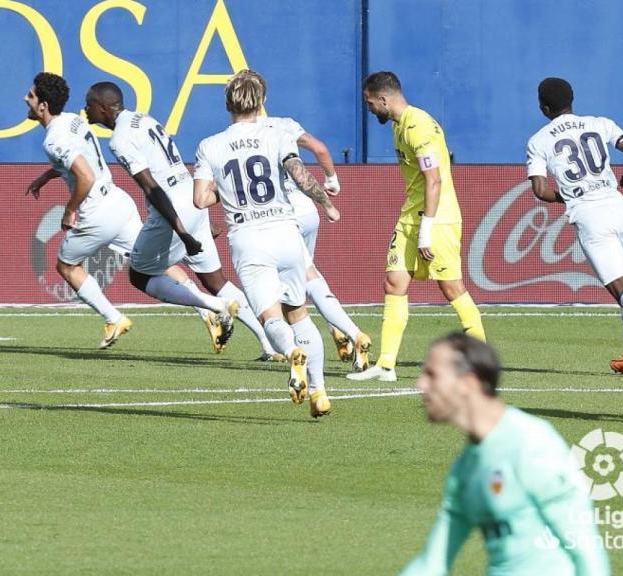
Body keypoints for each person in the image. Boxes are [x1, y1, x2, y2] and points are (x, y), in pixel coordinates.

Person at [83, 81, 283, 360]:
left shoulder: (119, 139)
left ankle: (215, 306)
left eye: (89, 104)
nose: (85, 110)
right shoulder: (144, 119)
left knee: (139, 276)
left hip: (172, 211)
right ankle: (270, 344)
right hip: (190, 198)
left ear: (103, 107)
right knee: (216, 280)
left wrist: (182, 231)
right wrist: (197, 222)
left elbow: (152, 187)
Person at [192, 69, 340, 418]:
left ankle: (291, 354)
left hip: (248, 239)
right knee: (299, 314)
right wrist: (327, 203)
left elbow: (200, 199)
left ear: (227, 104)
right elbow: (297, 174)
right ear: (261, 102)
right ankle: (320, 392)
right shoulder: (276, 135)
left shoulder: (210, 145)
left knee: (271, 317)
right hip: (285, 233)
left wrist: (224, 192)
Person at [401, 333, 609, 575]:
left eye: (432, 375)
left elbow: (586, 551)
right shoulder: (465, 469)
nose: (421, 385)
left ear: (468, 384)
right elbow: (432, 563)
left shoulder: (532, 444)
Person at [527, 77, 623, 377]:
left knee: (622, 292)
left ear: (543, 107)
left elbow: (540, 190)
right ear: (573, 99)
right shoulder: (600, 123)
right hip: (619, 209)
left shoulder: (539, 140)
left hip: (590, 216)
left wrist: (564, 197)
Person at [353, 71, 486, 383]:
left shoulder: (419, 126)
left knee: (451, 287)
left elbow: (434, 179)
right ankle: (386, 366)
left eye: (371, 103)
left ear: (384, 99)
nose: (370, 109)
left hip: (436, 219)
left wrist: (427, 230)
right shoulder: (400, 126)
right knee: (394, 282)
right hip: (412, 215)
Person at [25, 72, 148, 349]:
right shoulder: (73, 120)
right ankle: (211, 306)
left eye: (31, 96)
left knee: (66, 265)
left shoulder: (53, 138)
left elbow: (85, 176)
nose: (26, 98)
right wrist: (48, 176)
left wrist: (69, 211)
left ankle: (113, 317)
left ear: (43, 106)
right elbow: (80, 158)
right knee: (152, 260)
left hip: (96, 210)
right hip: (118, 199)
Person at [256, 107, 371, 372]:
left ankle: (353, 334)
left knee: (298, 283)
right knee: (308, 276)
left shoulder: (243, 136)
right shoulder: (284, 124)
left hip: (282, 216)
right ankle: (337, 329)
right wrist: (332, 179)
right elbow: (319, 149)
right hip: (308, 211)